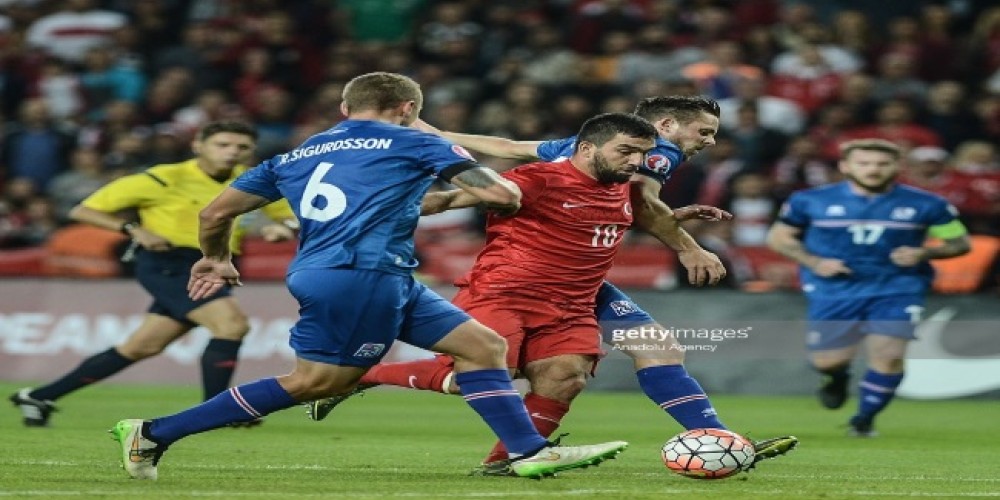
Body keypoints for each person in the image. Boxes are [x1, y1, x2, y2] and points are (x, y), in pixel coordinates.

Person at [108, 71, 628, 481]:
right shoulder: (415, 142)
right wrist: (461, 162)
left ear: (344, 109)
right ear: (409, 110)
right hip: (359, 272)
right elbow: (504, 195)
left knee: (483, 347)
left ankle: (527, 452)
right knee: (315, 382)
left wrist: (218, 259)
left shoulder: (294, 155)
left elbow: (214, 215)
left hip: (360, 273)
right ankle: (154, 432)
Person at [311, 99, 798, 474]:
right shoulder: (658, 153)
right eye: (704, 131)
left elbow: (511, 148)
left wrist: (433, 133)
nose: (710, 142)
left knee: (609, 362)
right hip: (518, 283)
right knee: (476, 377)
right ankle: (361, 375)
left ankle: (715, 438)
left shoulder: (591, 151)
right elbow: (642, 204)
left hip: (580, 283)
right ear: (665, 126)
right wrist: (686, 243)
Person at [9, 121, 297, 428]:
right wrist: (134, 229)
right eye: (222, 145)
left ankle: (40, 396)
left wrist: (284, 228)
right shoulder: (163, 178)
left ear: (252, 150)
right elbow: (84, 210)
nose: (231, 152)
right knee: (232, 325)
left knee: (141, 346)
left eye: (241, 147)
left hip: (214, 264)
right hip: (168, 262)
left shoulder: (251, 181)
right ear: (198, 145)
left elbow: (292, 217)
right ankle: (220, 411)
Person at [766, 138, 971, 437]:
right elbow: (779, 238)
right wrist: (815, 262)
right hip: (834, 287)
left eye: (882, 164)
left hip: (898, 286)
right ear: (845, 166)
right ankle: (835, 377)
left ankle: (863, 420)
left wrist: (925, 253)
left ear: (897, 167)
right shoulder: (809, 200)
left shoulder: (928, 204)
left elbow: (959, 243)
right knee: (828, 360)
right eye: (864, 163)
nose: (873, 170)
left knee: (888, 355)